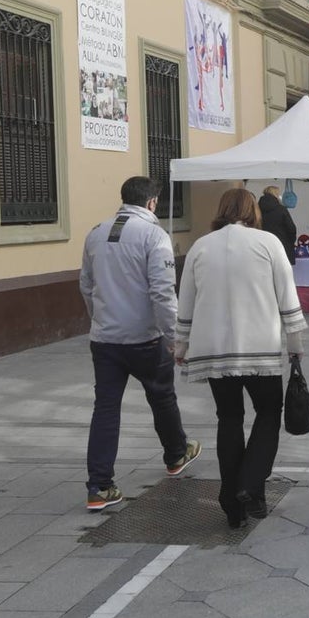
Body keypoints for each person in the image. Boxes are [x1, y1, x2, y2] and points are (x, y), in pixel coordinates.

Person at [174, 188, 307, 529]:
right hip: (259, 347)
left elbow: (185, 300)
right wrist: (295, 343)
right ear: (253, 211)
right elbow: (287, 295)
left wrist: (180, 344)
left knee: (229, 418)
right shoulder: (268, 243)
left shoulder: (200, 247)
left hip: (214, 349)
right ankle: (250, 483)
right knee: (268, 412)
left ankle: (231, 503)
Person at [79, 176, 201, 512]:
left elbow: (86, 285)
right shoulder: (154, 235)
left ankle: (99, 485)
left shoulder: (96, 232)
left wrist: (98, 318)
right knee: (162, 396)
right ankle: (176, 453)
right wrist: (174, 337)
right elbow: (162, 292)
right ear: (152, 202)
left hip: (105, 339)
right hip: (144, 337)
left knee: (105, 408)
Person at [258, 185, 298, 265]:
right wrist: (291, 241)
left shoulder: (257, 209)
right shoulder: (281, 209)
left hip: (263, 247)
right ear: (276, 194)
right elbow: (291, 228)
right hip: (282, 246)